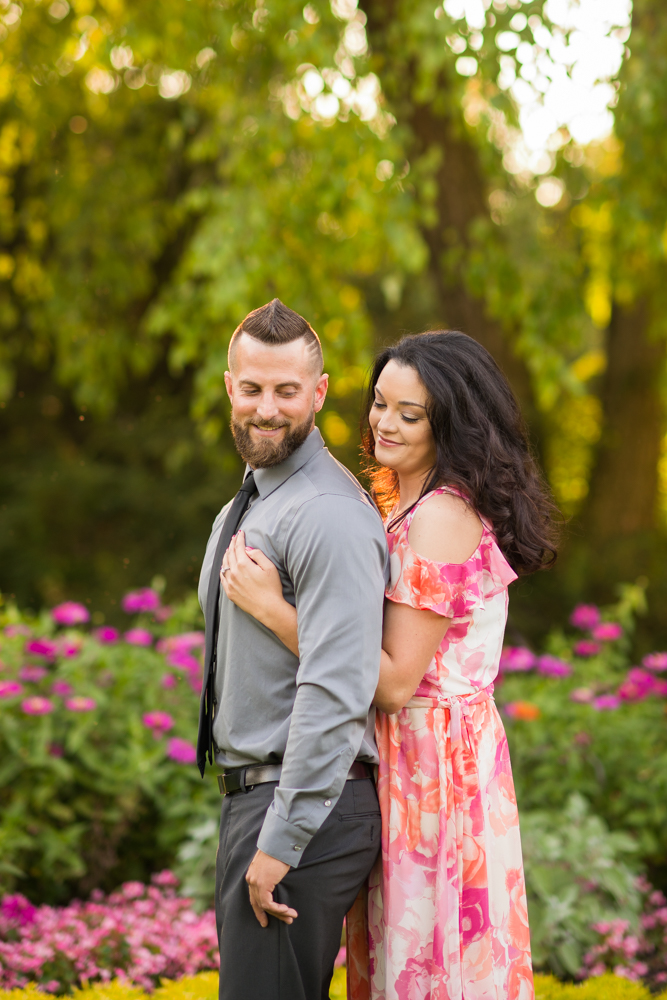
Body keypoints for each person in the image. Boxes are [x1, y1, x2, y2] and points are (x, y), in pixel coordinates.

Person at [222, 330, 558, 1000]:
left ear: (450, 425)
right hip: (407, 758)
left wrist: (274, 611)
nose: (383, 423)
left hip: (434, 769)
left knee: (431, 968)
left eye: (410, 414)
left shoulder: (441, 515)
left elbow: (398, 681)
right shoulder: (398, 502)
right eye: (380, 404)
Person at [197, 298, 388, 1000]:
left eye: (286, 391)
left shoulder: (327, 513)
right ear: (229, 387)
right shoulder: (252, 502)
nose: (267, 409)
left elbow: (338, 687)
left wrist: (281, 838)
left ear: (319, 392)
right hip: (265, 797)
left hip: (304, 803)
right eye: (252, 389)